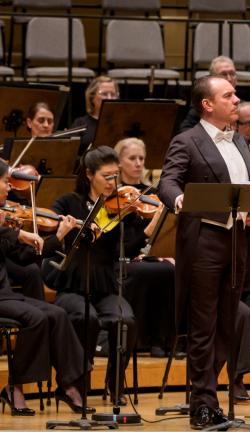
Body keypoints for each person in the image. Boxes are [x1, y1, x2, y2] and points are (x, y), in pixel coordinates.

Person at [158, 75, 250, 429]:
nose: (237, 100)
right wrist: (179, 198)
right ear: (207, 104)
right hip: (204, 240)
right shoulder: (186, 141)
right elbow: (167, 181)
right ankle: (201, 403)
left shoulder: (241, 143)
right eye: (229, 95)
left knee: (228, 325)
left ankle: (209, 396)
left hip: (237, 242)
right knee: (203, 326)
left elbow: (244, 188)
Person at [50, 146, 148, 406]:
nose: (112, 182)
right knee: (85, 317)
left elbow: (124, 249)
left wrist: (146, 227)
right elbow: (55, 235)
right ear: (89, 174)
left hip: (104, 285)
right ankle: (73, 384)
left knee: (125, 319)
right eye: (106, 176)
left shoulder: (119, 208)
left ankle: (115, 384)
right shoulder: (68, 202)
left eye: (116, 176)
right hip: (72, 286)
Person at [0, 159, 90, 416]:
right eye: (5, 181)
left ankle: (68, 384)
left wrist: (58, 236)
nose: (9, 187)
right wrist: (18, 234)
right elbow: (11, 239)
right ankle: (15, 388)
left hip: (3, 293)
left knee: (57, 314)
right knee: (36, 317)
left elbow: (24, 257)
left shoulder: (5, 217)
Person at [113, 138, 176, 358]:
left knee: (170, 270)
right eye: (132, 158)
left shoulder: (154, 194)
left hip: (152, 257)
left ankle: (162, 339)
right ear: (119, 163)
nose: (138, 163)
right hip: (124, 257)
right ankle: (139, 338)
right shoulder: (115, 197)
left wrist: (162, 253)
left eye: (141, 158)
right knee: (147, 271)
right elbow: (122, 244)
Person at [178, 56, 239, 133]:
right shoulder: (204, 104)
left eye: (232, 73)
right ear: (213, 78)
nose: (229, 79)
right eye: (224, 74)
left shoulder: (241, 104)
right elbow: (185, 131)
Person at [71, 76, 120, 155]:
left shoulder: (121, 123)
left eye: (113, 94)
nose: (109, 98)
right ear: (92, 97)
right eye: (104, 94)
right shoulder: (80, 123)